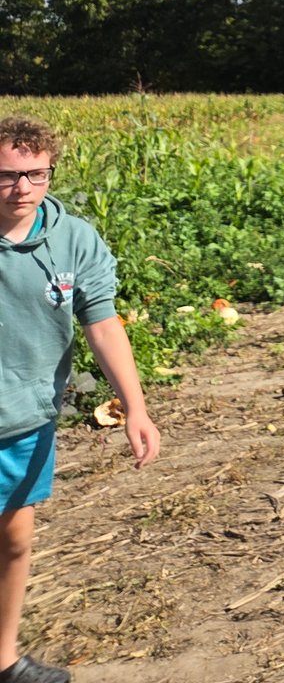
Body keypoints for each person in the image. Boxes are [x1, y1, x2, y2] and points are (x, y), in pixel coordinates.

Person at [0, 117, 161, 683]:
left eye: (35, 174)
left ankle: (4, 659)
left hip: (25, 416)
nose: (21, 188)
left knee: (14, 539)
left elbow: (103, 323)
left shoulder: (74, 239)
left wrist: (134, 407)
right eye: (6, 176)